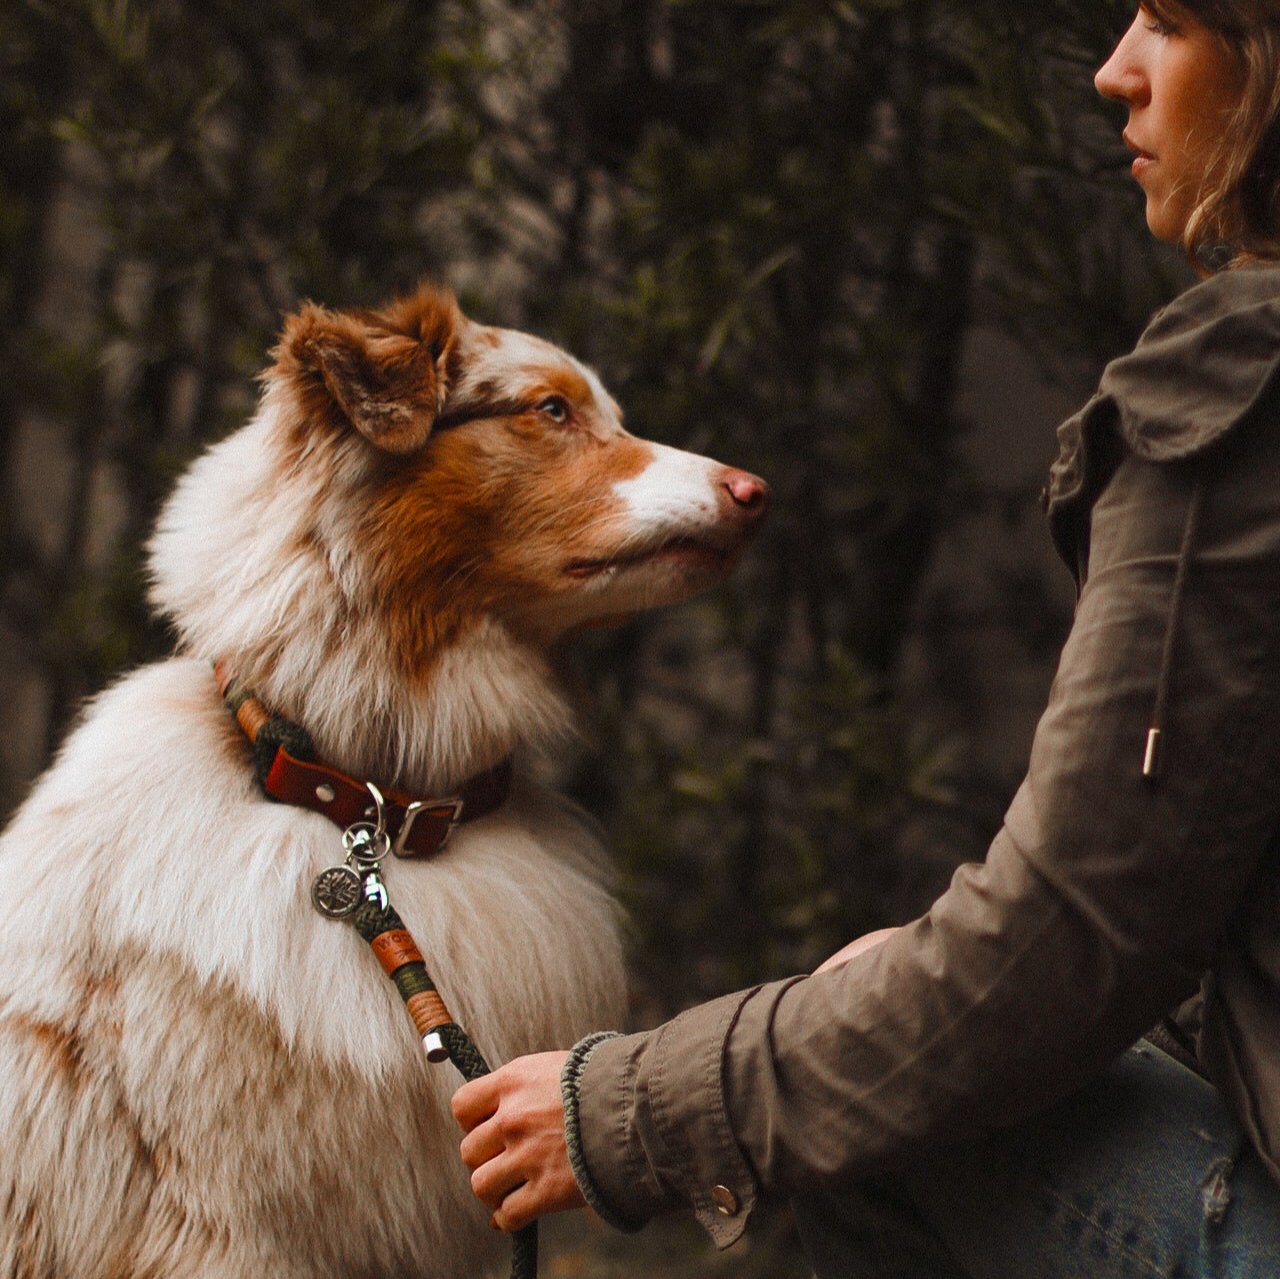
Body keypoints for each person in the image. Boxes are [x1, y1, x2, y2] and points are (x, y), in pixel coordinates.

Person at [451, 2, 1280, 1273]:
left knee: (879, 1110)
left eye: (1169, 22)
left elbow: (1073, 932)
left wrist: (637, 1113)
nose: (1115, 72)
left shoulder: (1244, 377)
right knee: (873, 1000)